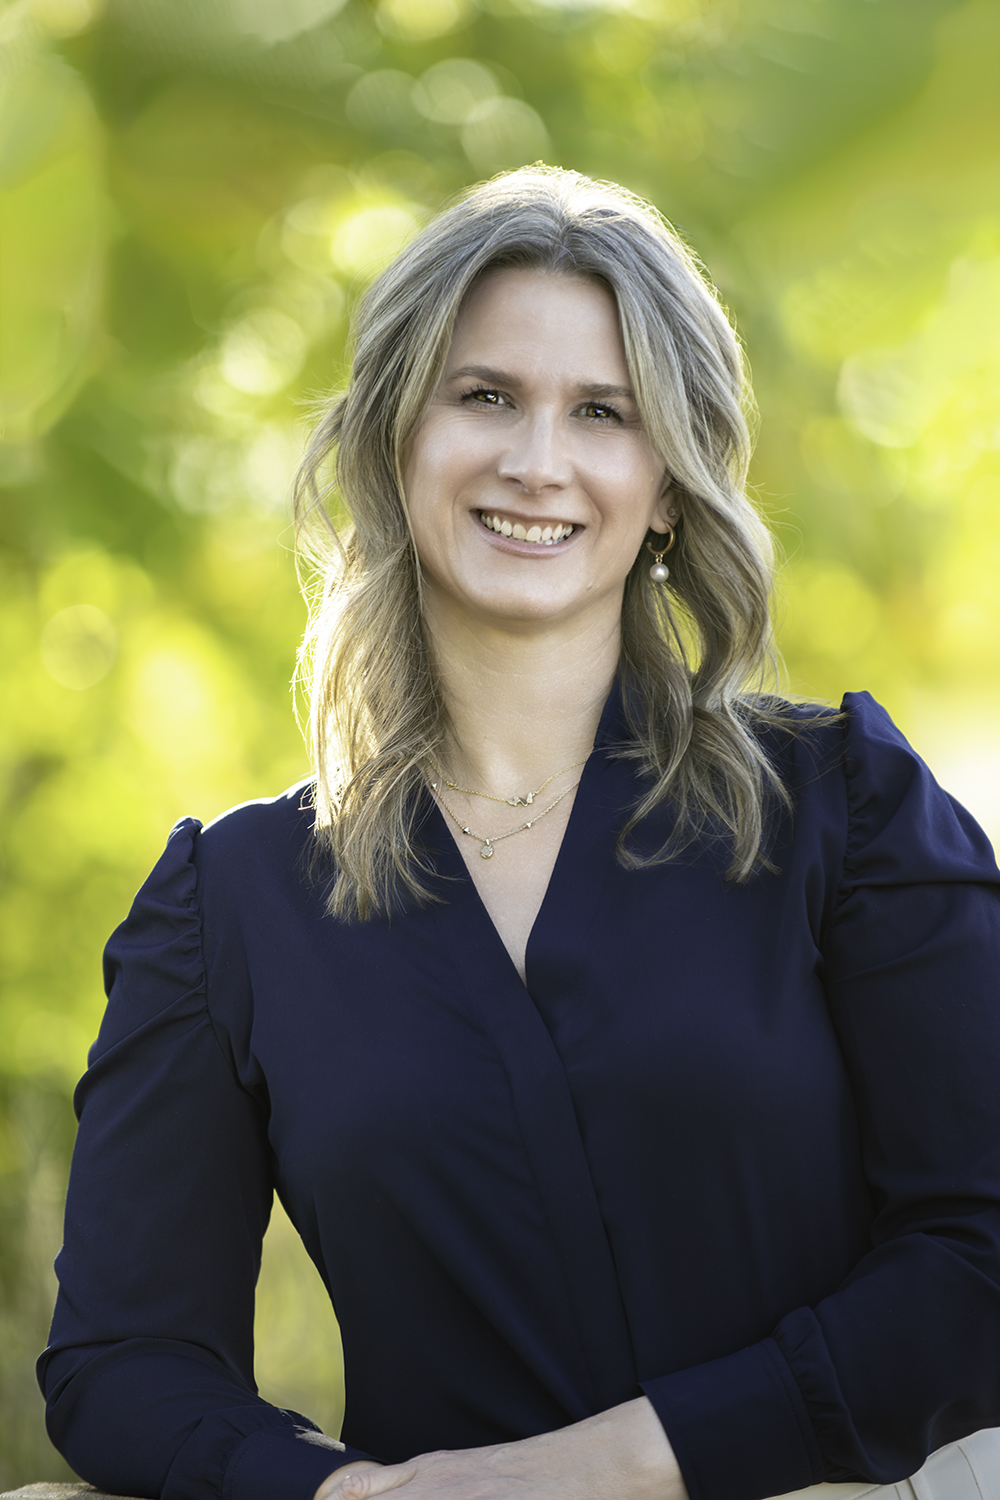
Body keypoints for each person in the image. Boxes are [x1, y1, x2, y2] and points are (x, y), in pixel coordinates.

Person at [38, 167, 1000, 1500]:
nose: (536, 460)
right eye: (484, 396)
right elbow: (122, 1360)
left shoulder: (849, 811)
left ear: (668, 485)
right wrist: (346, 1493)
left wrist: (597, 1468)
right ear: (396, 442)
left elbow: (980, 1252)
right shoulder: (232, 903)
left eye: (602, 413)